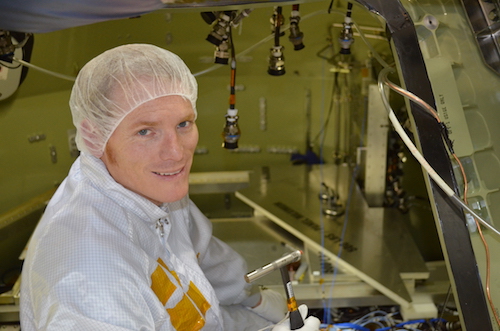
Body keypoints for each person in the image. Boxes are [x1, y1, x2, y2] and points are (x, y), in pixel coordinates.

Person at [19, 43, 321, 331]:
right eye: (145, 131)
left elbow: (204, 256)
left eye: (183, 124)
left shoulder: (146, 188)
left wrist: (254, 299)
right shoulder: (88, 272)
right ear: (94, 135)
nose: (175, 153)